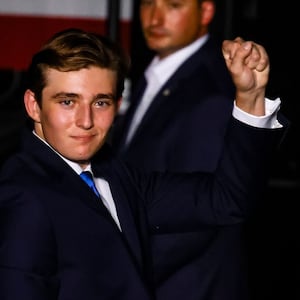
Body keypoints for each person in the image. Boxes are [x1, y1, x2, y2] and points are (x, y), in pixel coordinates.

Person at [0, 28, 287, 300]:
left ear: (118, 103)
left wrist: (250, 98)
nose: (85, 121)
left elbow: (227, 199)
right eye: (67, 102)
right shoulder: (23, 195)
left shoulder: (113, 174)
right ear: (33, 105)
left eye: (100, 103)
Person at [110, 1, 272, 299]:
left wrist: (109, 273)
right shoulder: (155, 73)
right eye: (148, 3)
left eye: (173, 5)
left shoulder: (212, 89)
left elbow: (200, 218)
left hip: (186, 286)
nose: (155, 17)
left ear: (206, 12)